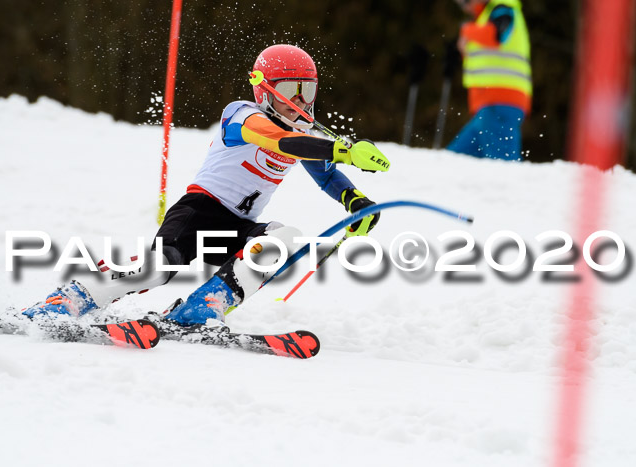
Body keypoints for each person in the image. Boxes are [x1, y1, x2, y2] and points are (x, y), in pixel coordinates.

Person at [22, 44, 390, 328]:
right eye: (292, 90)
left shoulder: (304, 131)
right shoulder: (241, 113)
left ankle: (199, 311)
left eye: (307, 91)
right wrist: (342, 149)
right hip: (198, 211)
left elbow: (325, 174)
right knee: (159, 269)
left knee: (285, 237)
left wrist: (357, 202)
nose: (301, 102)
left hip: (237, 225)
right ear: (264, 90)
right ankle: (71, 297)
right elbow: (277, 141)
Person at [446, 0, 532, 161]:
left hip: (501, 101)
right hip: (487, 106)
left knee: (502, 166)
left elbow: (495, 36)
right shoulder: (485, 16)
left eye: (465, 2)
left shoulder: (503, 7)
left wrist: (467, 31)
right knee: (453, 162)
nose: (465, 8)